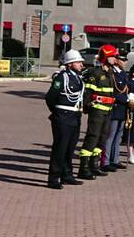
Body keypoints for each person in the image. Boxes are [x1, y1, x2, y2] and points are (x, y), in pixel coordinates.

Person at [44, 50, 86, 189]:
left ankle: (67, 174)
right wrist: (57, 112)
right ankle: (53, 178)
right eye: (78, 62)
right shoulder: (62, 77)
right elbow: (50, 97)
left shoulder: (78, 77)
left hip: (74, 116)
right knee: (60, 148)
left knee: (70, 148)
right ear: (70, 64)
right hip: (62, 116)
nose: (81, 64)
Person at [78, 45, 118, 180]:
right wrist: (88, 105)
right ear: (106, 57)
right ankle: (83, 168)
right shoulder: (95, 73)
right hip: (97, 110)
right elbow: (88, 92)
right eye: (113, 56)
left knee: (102, 138)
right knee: (92, 137)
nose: (115, 59)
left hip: (108, 110)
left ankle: (94, 166)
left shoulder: (111, 73)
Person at [102, 49, 133, 172]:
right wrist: (125, 99)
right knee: (110, 136)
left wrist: (130, 98)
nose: (125, 62)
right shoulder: (111, 74)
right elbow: (113, 92)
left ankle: (115, 159)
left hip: (123, 110)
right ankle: (106, 161)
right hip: (115, 108)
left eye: (126, 59)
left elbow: (126, 89)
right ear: (116, 60)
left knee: (118, 136)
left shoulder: (123, 74)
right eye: (123, 59)